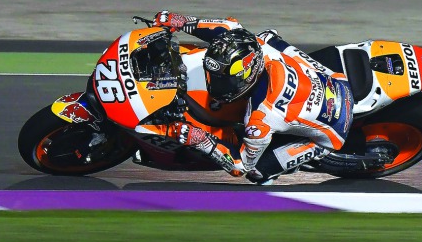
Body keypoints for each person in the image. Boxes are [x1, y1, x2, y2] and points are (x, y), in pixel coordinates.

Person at [148, 10, 354, 184]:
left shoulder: (261, 118)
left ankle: (301, 155)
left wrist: (201, 140)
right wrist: (183, 22)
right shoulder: (256, 47)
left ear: (246, 76)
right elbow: (228, 27)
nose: (215, 84)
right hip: (333, 79)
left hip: (334, 129)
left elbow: (241, 166)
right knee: (268, 38)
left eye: (224, 80)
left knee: (258, 173)